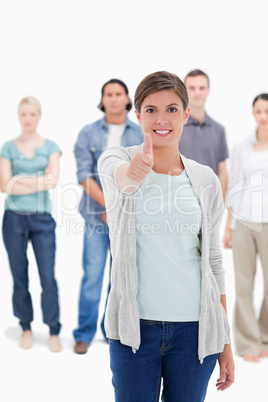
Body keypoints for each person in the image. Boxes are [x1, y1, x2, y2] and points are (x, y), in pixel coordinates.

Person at [98, 71, 235, 401]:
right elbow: (121, 179)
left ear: (186, 114)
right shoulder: (116, 159)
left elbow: (213, 262)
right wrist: (132, 174)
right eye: (151, 110)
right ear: (137, 113)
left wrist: (225, 342)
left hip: (195, 332)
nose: (162, 119)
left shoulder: (204, 179)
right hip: (134, 331)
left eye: (172, 109)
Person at [73, 79, 143, 354]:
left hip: (126, 217)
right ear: (103, 100)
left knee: (122, 276)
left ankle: (111, 330)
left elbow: (143, 177)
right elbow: (83, 175)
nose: (114, 98)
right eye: (108, 94)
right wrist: (107, 206)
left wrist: (117, 209)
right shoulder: (88, 133)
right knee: (92, 274)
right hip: (95, 216)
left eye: (119, 94)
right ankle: (84, 333)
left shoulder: (139, 133)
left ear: (127, 99)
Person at [0, 96, 62, 352]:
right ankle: (25, 326)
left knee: (47, 276)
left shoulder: (51, 146)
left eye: (32, 114)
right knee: (19, 275)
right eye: (23, 114)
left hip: (42, 218)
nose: (28, 119)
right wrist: (38, 179)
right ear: (18, 116)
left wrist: (19, 181)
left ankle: (53, 330)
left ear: (39, 116)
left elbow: (53, 181)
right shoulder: (7, 147)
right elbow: (5, 186)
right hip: (13, 218)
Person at [224, 93, 268, 363]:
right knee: (243, 285)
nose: (263, 117)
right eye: (259, 112)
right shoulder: (242, 146)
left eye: (267, 111)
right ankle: (248, 341)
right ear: (253, 114)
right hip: (243, 221)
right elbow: (234, 185)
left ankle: (265, 337)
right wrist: (228, 227)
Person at [179, 69, 229, 200]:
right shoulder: (173, 127)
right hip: (179, 201)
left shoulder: (219, 130)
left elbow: (222, 172)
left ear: (208, 90)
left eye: (201, 88)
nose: (197, 92)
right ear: (184, 91)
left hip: (208, 203)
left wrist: (219, 206)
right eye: (192, 88)